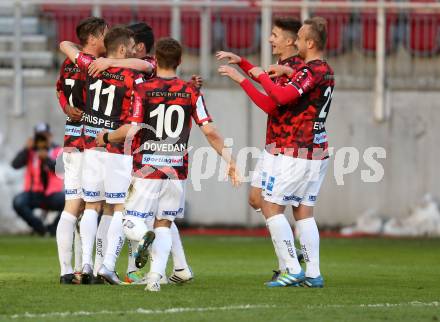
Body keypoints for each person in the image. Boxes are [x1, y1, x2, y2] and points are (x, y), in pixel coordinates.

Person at [96, 37, 240, 292]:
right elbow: (210, 132)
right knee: (164, 223)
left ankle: (142, 237)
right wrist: (230, 160)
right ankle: (154, 279)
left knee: (129, 219)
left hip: (147, 168)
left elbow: (132, 128)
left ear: (155, 60)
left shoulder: (144, 89)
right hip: (176, 170)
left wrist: (106, 136)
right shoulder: (190, 91)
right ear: (180, 61)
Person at [220, 17, 334, 288]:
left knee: (270, 205)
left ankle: (291, 268)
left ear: (307, 42)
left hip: (295, 149)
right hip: (314, 149)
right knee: (303, 211)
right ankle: (313, 273)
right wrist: (255, 70)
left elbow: (279, 100)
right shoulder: (321, 70)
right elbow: (291, 89)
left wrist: (254, 75)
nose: (292, 42)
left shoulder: (309, 70)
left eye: (298, 37)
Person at [87, 22, 198, 285]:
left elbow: (68, 48)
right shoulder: (140, 74)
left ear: (140, 46)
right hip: (135, 150)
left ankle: (176, 267)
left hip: (110, 145)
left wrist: (105, 60)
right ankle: (115, 266)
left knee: (137, 212)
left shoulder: (127, 68)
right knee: (140, 214)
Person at [60, 26, 144, 284]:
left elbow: (66, 46)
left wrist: (101, 60)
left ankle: (85, 265)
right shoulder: (134, 76)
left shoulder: (90, 66)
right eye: (129, 47)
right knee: (119, 206)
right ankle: (107, 265)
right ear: (121, 49)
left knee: (91, 206)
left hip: (91, 147)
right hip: (116, 150)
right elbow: (135, 125)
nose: (133, 51)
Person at [55, 16, 108, 284]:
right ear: (94, 38)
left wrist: (66, 108)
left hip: (71, 140)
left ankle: (67, 270)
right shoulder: (97, 68)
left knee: (71, 207)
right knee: (93, 205)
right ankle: (90, 267)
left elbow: (59, 90)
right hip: (91, 143)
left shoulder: (67, 62)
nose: (107, 39)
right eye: (105, 34)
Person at [11, 123, 64, 236]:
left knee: (72, 203)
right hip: (33, 193)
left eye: (44, 136)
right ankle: (40, 228)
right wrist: (26, 149)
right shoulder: (30, 151)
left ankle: (53, 229)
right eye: (38, 136)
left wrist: (46, 159)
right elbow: (15, 165)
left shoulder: (57, 150)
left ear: (50, 136)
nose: (41, 139)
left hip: (52, 194)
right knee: (18, 202)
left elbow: (60, 169)